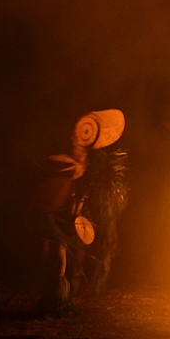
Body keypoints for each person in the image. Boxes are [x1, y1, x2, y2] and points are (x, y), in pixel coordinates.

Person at [31, 109, 126, 317]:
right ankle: (55, 300)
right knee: (57, 257)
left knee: (69, 259)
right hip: (59, 215)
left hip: (71, 218)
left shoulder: (92, 167)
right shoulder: (64, 164)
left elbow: (84, 191)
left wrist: (80, 208)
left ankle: (61, 301)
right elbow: (52, 193)